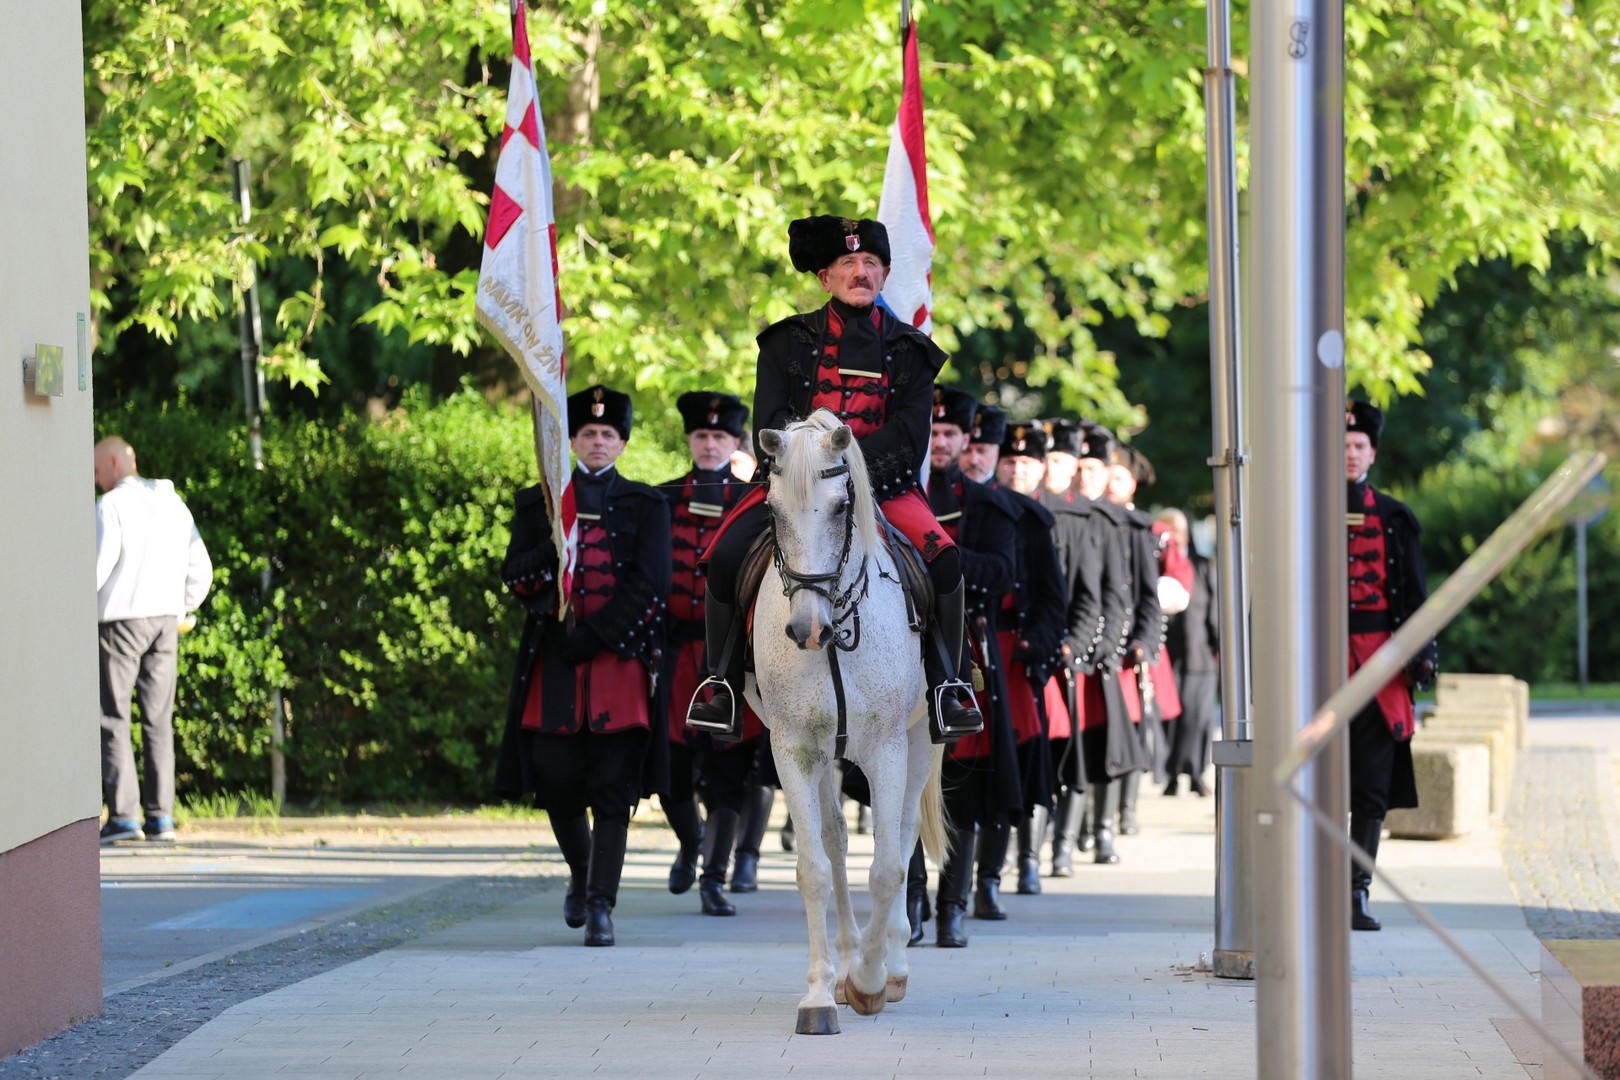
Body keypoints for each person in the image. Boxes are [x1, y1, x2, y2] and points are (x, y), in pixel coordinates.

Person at [686, 214, 981, 745]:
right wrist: (811, 468)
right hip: (795, 487)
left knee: (946, 559)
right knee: (726, 554)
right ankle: (721, 684)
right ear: (825, 277)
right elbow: (769, 424)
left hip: (884, 491)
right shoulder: (784, 342)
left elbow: (910, 438)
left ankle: (949, 686)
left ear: (886, 276)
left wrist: (851, 473)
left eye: (871, 263)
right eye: (848, 263)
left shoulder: (914, 352)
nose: (860, 272)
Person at [495, 385, 672, 947]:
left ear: (622, 442)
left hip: (617, 664)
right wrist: (553, 542)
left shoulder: (647, 505)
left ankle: (601, 906)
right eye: (589, 433)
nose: (598, 441)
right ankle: (580, 872)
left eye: (609, 434)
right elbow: (516, 578)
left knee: (612, 788)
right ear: (572, 439)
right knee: (557, 779)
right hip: (554, 665)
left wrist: (597, 635)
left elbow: (652, 586)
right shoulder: (538, 504)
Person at [916, 388, 1018, 946]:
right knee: (897, 784)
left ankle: (952, 905)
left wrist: (940, 549)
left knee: (965, 792)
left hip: (967, 651)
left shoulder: (986, 504)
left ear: (964, 439)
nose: (941, 441)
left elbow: (1001, 572)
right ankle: (910, 902)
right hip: (900, 645)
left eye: (950, 433)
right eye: (932, 432)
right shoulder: (891, 492)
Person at [658, 392, 759, 917]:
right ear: (690, 440)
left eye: (720, 436)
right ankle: (689, 842)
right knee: (671, 771)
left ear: (734, 443)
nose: (709, 442)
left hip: (731, 660)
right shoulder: (660, 498)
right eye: (701, 435)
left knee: (727, 775)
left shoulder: (754, 503)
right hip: (675, 657)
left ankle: (714, 880)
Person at [1345, 399, 1436, 931]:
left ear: (1372, 453)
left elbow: (1416, 599)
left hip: (1380, 665)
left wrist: (1420, 656)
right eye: (1343, 447)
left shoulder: (1395, 517)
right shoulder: (1306, 510)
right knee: (1320, 783)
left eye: (1359, 446)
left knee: (1372, 788)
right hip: (1321, 666)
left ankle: (1357, 892)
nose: (1351, 454)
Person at [94, 437, 213, 844]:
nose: (96, 480)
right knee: (158, 720)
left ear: (113, 462)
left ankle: (125, 818)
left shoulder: (111, 506)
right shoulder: (173, 504)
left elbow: (98, 566)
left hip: (120, 620)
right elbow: (201, 567)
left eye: (96, 471)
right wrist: (181, 607)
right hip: (165, 620)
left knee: (113, 718)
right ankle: (161, 817)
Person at [966, 406, 1064, 898]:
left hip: (1009, 653)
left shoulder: (1029, 518)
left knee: (1008, 767)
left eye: (984, 449)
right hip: (956, 646)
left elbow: (1052, 597)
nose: (975, 457)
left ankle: (995, 875)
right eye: (976, 448)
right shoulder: (942, 501)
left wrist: (1034, 646)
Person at [1044, 421, 1133, 867]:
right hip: (1050, 645)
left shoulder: (1102, 520)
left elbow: (1114, 594)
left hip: (1089, 652)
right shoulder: (1047, 511)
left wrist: (1102, 647)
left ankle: (1078, 839)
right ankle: (1042, 842)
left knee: (1087, 749)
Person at [1106, 445, 1191, 833]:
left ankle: (1126, 810)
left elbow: (1178, 587)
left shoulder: (1153, 532)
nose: (1110, 483)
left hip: (1135, 641)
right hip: (1096, 637)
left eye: (1119, 477)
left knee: (1135, 726)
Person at [1160, 508, 1218, 797]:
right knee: (1170, 719)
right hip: (1168, 656)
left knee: (1198, 718)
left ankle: (1196, 773)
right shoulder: (1157, 565)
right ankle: (1170, 775)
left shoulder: (1203, 566)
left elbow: (1215, 611)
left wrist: (1219, 647)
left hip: (1200, 656)